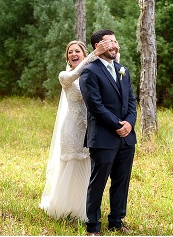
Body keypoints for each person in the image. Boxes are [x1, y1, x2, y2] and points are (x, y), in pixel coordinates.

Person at [39, 40, 111, 222]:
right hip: (72, 128)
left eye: (77, 51)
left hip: (90, 128)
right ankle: (62, 207)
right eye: (70, 52)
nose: (73, 54)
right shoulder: (65, 75)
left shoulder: (92, 75)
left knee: (87, 166)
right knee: (71, 164)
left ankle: (84, 210)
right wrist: (94, 55)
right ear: (67, 57)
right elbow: (74, 76)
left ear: (83, 53)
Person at [78, 29, 137, 236]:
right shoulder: (89, 72)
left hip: (127, 138)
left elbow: (131, 101)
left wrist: (129, 123)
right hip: (103, 137)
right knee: (98, 183)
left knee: (121, 181)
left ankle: (116, 221)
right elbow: (95, 105)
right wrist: (117, 125)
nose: (114, 45)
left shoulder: (123, 70)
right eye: (109, 42)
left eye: (115, 41)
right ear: (98, 46)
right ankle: (93, 227)